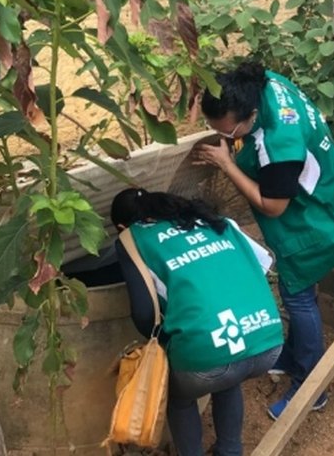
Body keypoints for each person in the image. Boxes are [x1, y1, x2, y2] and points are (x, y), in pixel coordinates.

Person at [195, 62, 334, 420]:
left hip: (316, 224)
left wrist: (227, 165)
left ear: (250, 115)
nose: (223, 136)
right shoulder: (262, 82)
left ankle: (311, 386)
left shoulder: (280, 145)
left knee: (297, 298)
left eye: (228, 131)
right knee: (302, 293)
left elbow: (272, 205)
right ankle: (294, 355)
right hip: (329, 197)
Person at [111, 188, 283, 456]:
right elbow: (263, 264)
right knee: (228, 374)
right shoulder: (216, 221)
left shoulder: (131, 239)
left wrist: (167, 345)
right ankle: (230, 450)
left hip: (208, 359)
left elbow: (144, 314)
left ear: (122, 226)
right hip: (267, 341)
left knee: (180, 396)